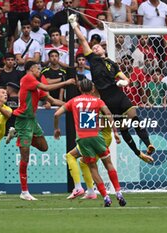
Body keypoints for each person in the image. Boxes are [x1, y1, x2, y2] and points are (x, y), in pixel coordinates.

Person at [68, 14, 154, 163]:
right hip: (107, 99)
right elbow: (82, 39)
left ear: (103, 48)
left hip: (118, 94)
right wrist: (74, 24)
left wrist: (123, 83)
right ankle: (138, 153)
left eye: (97, 46)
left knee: (135, 118)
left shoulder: (113, 64)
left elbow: (126, 79)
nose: (95, 47)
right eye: (93, 47)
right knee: (123, 129)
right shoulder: (93, 59)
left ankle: (148, 144)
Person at [54, 78, 127, 207]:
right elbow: (109, 114)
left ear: (80, 89)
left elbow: (56, 114)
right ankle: (118, 192)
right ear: (92, 89)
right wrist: (115, 132)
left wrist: (56, 129)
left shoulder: (73, 101)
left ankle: (105, 197)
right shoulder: (97, 101)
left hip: (83, 139)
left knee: (93, 168)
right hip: (97, 136)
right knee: (108, 163)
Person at [14, 61, 75, 201]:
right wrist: (66, 83)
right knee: (25, 157)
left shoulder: (34, 85)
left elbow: (51, 99)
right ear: (31, 69)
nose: (39, 70)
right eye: (38, 68)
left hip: (32, 122)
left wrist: (70, 105)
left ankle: (21, 138)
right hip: (23, 121)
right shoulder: (28, 78)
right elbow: (46, 86)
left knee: (44, 147)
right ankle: (24, 191)